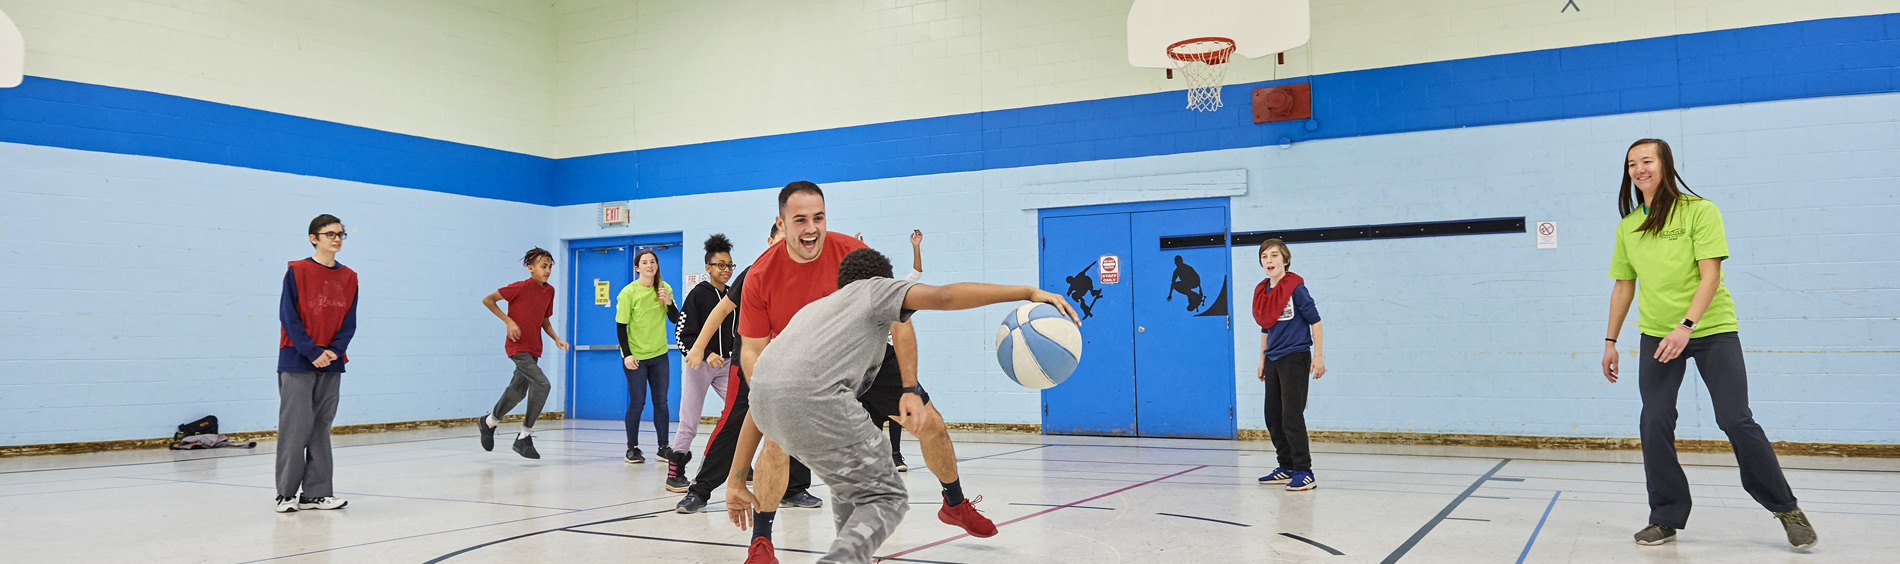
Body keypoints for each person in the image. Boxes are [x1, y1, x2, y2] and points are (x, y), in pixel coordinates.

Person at [726, 247, 1080, 564]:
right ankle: (763, 540)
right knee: (809, 459)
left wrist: (910, 387)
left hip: (869, 366)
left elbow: (761, 400)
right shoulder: (860, 295)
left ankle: (953, 503)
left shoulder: (844, 303)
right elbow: (945, 296)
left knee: (931, 426)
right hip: (831, 374)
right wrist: (1029, 291)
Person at [1600, 138, 1815, 550]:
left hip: (1710, 329)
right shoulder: (1628, 226)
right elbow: (1624, 285)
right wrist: (1610, 340)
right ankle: (1664, 516)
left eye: (1647, 161)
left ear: (1666, 165)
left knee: (1735, 419)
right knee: (1654, 420)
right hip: (1658, 336)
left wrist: (1686, 326)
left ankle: (1786, 508)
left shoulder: (1699, 211)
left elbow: (1710, 276)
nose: (1639, 170)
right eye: (1631, 164)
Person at [676, 225, 821, 513]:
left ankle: (795, 488)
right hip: (748, 363)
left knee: (795, 424)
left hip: (789, 366)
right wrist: (698, 347)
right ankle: (701, 490)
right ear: (771, 241)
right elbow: (721, 311)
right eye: (782, 241)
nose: (788, 247)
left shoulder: (808, 274)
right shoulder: (757, 271)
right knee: (733, 424)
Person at [274, 214, 358, 513]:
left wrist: (335, 350)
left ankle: (317, 493)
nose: (337, 239)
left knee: (321, 428)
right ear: (314, 238)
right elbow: (289, 316)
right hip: (297, 360)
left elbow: (349, 320)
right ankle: (286, 494)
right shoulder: (297, 270)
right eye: (330, 233)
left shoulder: (350, 277)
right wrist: (312, 351)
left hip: (332, 362)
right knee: (295, 428)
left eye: (341, 234)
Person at [476, 247, 568, 460]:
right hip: (517, 347)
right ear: (530, 268)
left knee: (517, 391)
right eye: (543, 266)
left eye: (549, 267)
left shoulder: (549, 291)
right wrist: (508, 322)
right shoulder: (519, 287)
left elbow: (544, 319)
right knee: (543, 384)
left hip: (535, 347)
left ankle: (488, 422)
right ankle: (524, 436)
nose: (547, 271)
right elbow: (488, 300)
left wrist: (555, 338)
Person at [1251, 238, 1325, 492]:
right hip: (1273, 358)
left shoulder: (1296, 288)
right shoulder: (1264, 291)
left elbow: (1315, 322)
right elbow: (1266, 327)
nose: (1269, 261)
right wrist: (1262, 359)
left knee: (1291, 415)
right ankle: (1287, 466)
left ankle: (1305, 471)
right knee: (1272, 416)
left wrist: (1318, 356)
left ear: (1285, 260)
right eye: (1264, 257)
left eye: (1274, 256)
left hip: (1295, 356)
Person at [667, 235, 739, 491]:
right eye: (721, 265)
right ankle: (676, 466)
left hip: (727, 365)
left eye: (730, 265)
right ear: (708, 268)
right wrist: (706, 353)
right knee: (690, 419)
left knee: (740, 408)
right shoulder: (698, 295)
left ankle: (740, 464)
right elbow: (682, 332)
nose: (726, 270)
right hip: (699, 365)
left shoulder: (733, 297)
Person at [617, 249, 681, 464]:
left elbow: (676, 320)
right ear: (637, 268)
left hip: (659, 355)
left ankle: (663, 447)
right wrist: (627, 355)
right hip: (636, 356)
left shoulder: (665, 288)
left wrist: (670, 302)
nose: (649, 265)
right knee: (638, 402)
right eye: (644, 262)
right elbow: (621, 327)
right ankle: (632, 448)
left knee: (661, 402)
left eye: (653, 261)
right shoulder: (628, 293)